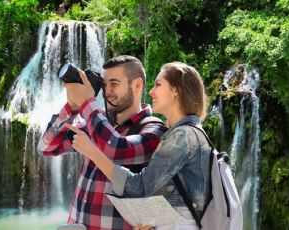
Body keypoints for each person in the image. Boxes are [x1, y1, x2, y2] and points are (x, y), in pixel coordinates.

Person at [66, 62, 210, 230]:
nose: (150, 91)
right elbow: (162, 191)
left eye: (158, 84)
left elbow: (139, 187)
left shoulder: (183, 136)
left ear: (176, 90)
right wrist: (150, 219)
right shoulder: (182, 133)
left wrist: (92, 151)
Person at [37, 55, 167, 230]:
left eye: (114, 84)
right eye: (104, 85)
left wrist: (87, 103)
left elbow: (115, 149)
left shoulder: (154, 129)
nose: (106, 92)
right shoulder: (96, 124)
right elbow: (46, 147)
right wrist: (71, 108)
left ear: (137, 85)